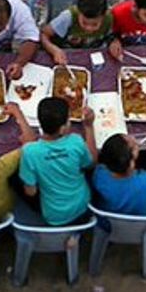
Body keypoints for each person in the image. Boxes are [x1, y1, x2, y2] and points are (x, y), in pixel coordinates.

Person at [17, 96, 95, 226]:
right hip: (83, 207)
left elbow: (31, 192)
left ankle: (71, 236)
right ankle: (75, 235)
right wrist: (89, 127)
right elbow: (91, 163)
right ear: (62, 128)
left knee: (14, 180)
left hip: (54, 216)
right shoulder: (76, 142)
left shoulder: (30, 152)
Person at [91, 131, 146, 216]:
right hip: (142, 228)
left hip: (107, 226)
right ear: (131, 162)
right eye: (134, 145)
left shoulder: (99, 174)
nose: (133, 138)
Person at [39, 0, 121, 64]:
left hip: (93, 57)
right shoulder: (67, 18)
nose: (89, 28)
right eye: (84, 23)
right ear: (78, 12)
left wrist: (114, 43)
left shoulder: (108, 19)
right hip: (66, 56)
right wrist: (54, 50)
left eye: (95, 24)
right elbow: (43, 34)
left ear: (103, 17)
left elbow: (111, 36)